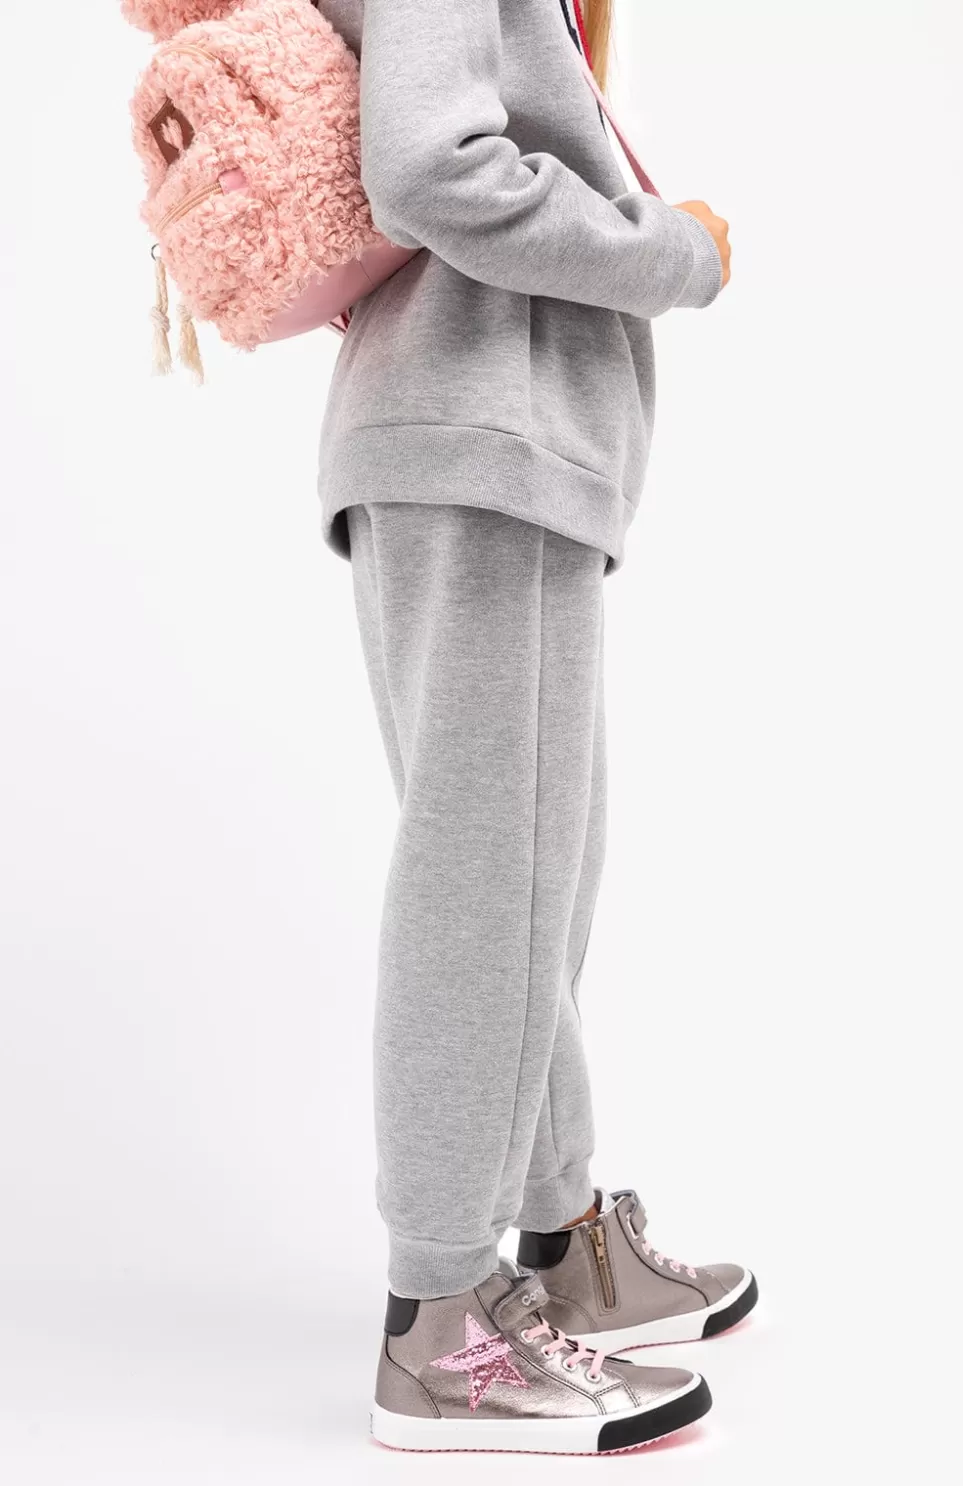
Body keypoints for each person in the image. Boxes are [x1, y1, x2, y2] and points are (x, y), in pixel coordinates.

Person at [317, 0, 755, 1454]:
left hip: (475, 437)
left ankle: (558, 1239)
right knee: (489, 886)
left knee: (530, 879)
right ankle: (442, 1325)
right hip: (482, 438)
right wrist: (673, 251)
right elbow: (429, 170)